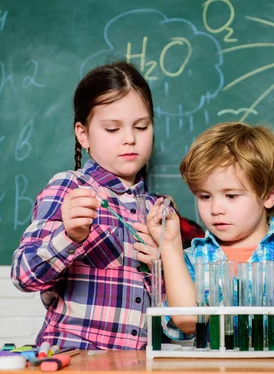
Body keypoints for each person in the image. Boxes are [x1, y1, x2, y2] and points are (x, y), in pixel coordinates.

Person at [138, 122, 274, 350]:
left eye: (231, 196)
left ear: (269, 195)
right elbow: (188, 320)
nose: (216, 208)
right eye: (205, 196)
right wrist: (170, 246)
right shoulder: (191, 260)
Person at [11, 61, 165, 349]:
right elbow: (23, 276)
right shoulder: (69, 188)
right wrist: (69, 236)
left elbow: (174, 319)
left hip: (135, 364)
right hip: (73, 357)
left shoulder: (158, 210)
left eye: (141, 126)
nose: (130, 139)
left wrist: (163, 264)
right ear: (83, 135)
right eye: (112, 128)